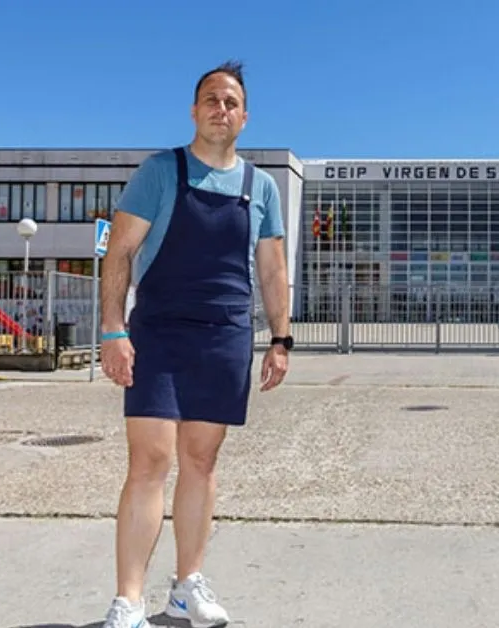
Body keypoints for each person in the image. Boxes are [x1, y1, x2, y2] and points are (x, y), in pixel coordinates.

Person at [96, 60, 294, 628]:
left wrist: (280, 340)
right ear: (194, 110)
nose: (220, 109)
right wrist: (114, 329)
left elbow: (273, 269)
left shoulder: (261, 188)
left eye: (231, 102)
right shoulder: (161, 172)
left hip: (225, 337)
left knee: (201, 464)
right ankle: (129, 600)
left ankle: (186, 588)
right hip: (158, 332)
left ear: (244, 117)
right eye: (211, 99)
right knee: (150, 461)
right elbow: (120, 254)